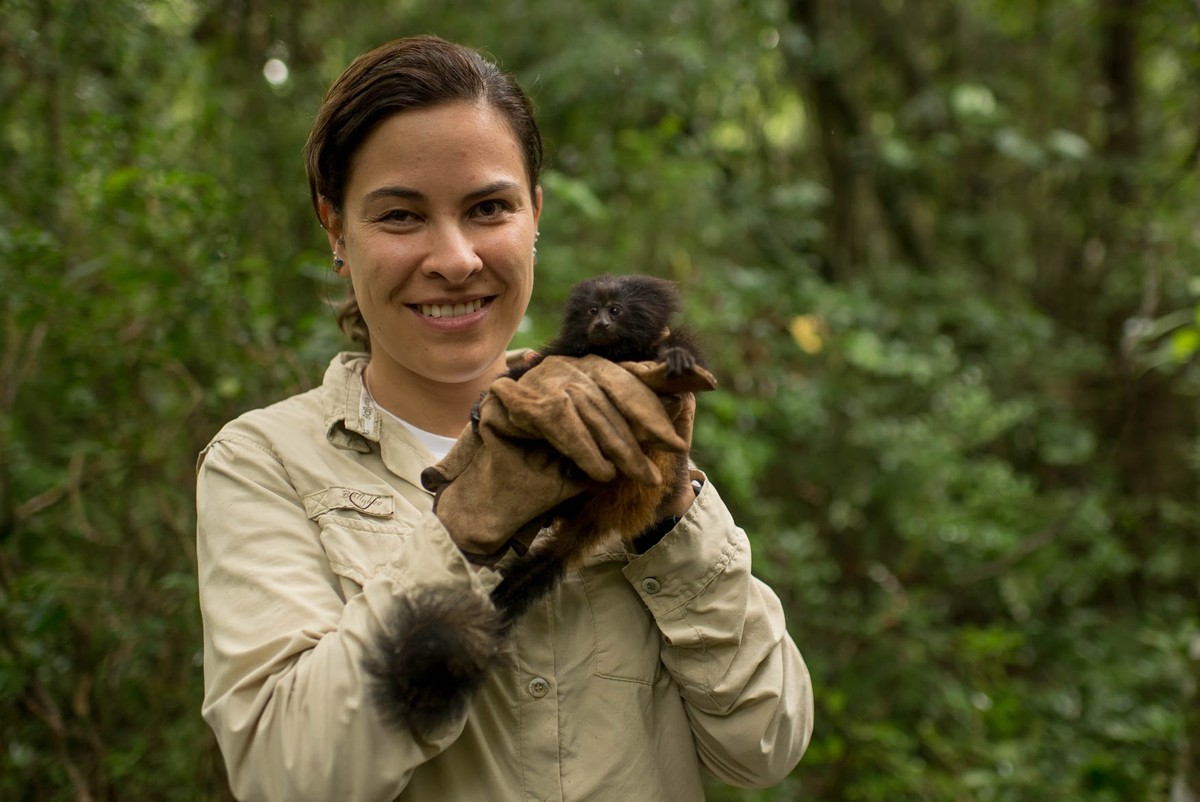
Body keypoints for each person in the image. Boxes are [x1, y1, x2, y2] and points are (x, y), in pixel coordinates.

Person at [195, 34, 813, 802]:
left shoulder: (620, 412)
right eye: (400, 215)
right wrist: (465, 529)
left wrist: (667, 519)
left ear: (535, 214)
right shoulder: (267, 462)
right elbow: (287, 778)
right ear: (336, 230)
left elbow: (766, 743)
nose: (454, 258)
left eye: (489, 207)